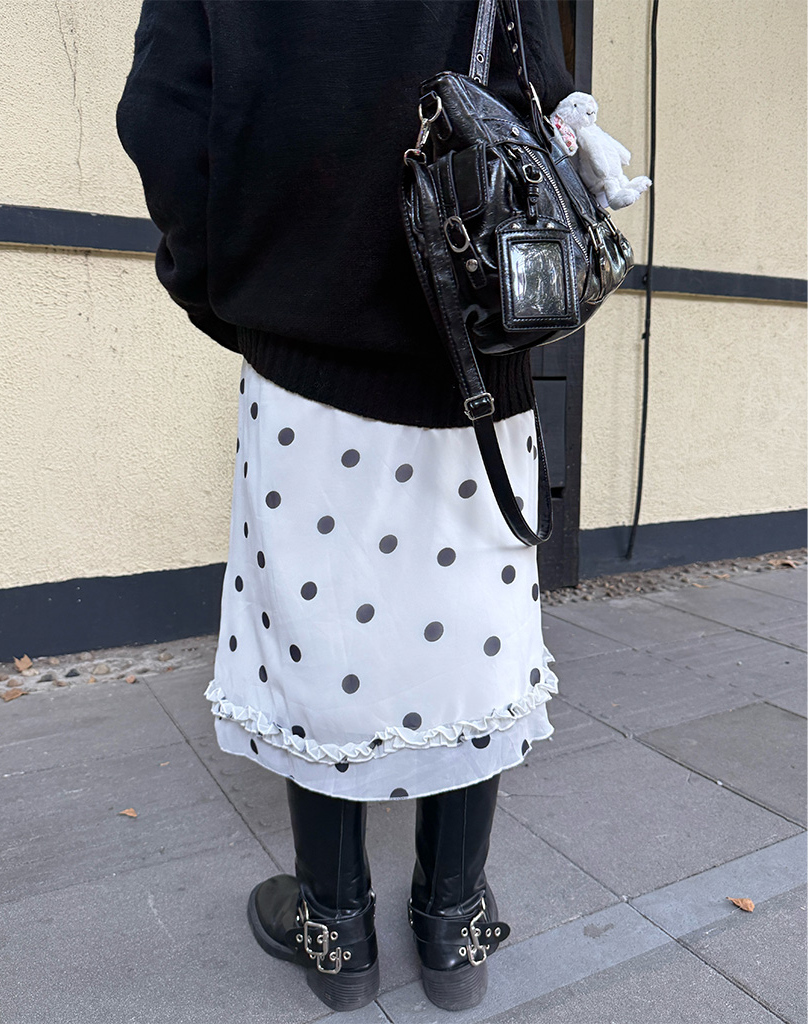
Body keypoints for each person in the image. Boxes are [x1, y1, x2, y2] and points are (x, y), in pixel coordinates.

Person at [116, 0, 575, 1012]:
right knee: (472, 637)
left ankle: (337, 928)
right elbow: (535, 102)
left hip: (302, 358)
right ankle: (452, 927)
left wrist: (229, 291)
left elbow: (164, 115)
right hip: (474, 360)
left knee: (314, 633)